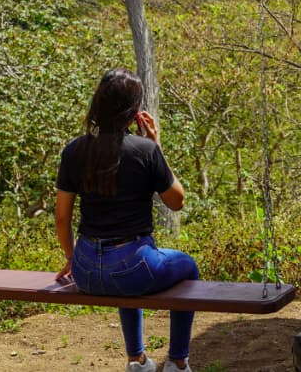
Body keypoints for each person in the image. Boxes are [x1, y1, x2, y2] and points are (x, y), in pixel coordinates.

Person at [55, 68, 198, 372]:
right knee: (187, 267)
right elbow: (177, 201)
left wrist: (71, 258)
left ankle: (137, 360)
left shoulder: (74, 150)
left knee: (124, 271)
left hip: (85, 270)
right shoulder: (144, 150)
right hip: (134, 268)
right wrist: (157, 147)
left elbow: (62, 217)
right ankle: (177, 360)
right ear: (135, 112)